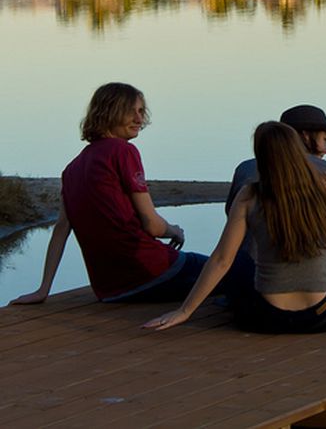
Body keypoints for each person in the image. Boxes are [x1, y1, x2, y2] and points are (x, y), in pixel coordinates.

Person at [9, 83, 250, 305]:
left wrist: (43, 290)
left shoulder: (72, 169)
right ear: (109, 112)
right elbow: (153, 226)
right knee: (241, 271)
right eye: (131, 111)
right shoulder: (123, 152)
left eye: (141, 111)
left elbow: (61, 229)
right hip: (149, 271)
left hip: (109, 289)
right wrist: (174, 230)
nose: (139, 119)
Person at [144, 121, 326, 333]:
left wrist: (185, 311)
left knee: (237, 258)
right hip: (320, 317)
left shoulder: (249, 195)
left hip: (265, 318)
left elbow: (222, 260)